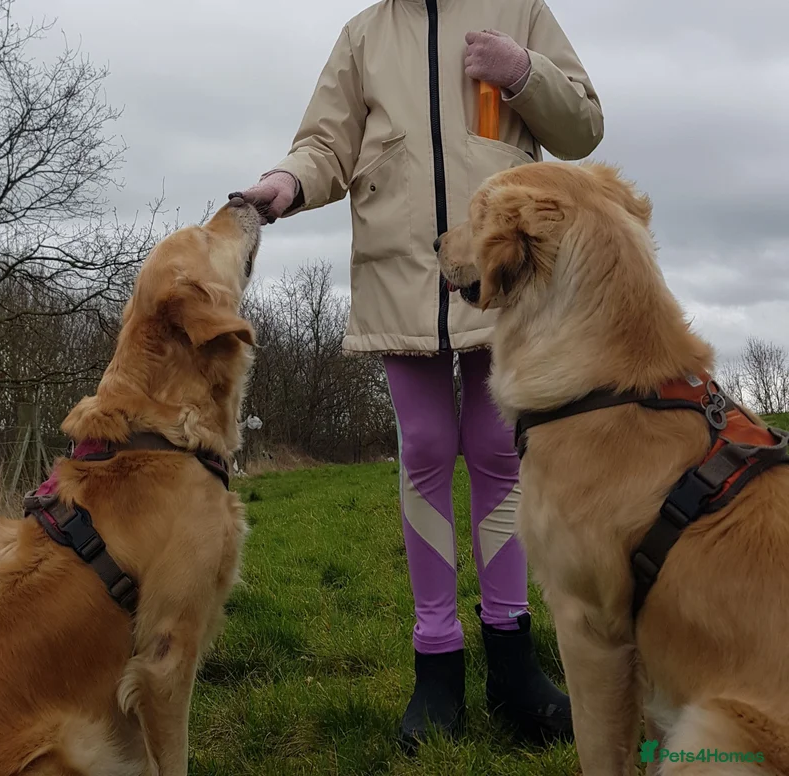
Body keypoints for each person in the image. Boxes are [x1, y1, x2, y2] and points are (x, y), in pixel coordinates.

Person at [232, 0, 602, 750]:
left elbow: (583, 126)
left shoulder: (519, 9)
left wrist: (524, 73)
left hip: (501, 271)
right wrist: (285, 183)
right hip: (400, 274)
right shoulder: (364, 34)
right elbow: (326, 145)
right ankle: (436, 661)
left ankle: (513, 661)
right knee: (427, 448)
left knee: (499, 452)